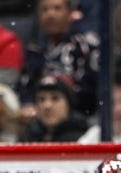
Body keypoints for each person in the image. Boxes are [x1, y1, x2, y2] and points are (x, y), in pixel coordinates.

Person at [16, 0, 100, 128]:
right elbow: (25, 86)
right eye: (45, 10)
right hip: (41, 118)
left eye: (57, 8)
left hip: (80, 117)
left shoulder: (85, 46)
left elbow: (94, 88)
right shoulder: (35, 49)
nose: (50, 14)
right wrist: (27, 104)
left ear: (70, 13)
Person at [19, 73, 90, 142]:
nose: (47, 105)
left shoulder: (84, 140)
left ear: (69, 104)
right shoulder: (28, 139)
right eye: (41, 99)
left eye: (55, 98)